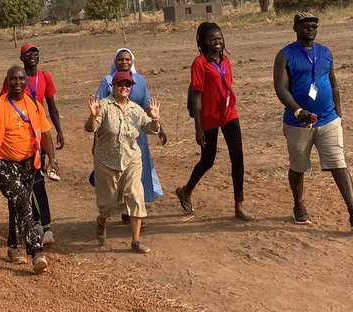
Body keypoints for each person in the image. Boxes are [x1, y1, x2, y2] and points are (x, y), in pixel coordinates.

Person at [273, 12, 353, 231]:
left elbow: (333, 84)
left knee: (339, 162)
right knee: (298, 166)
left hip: (328, 119)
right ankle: (299, 205)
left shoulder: (325, 52)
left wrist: (338, 114)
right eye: (306, 26)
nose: (311, 29)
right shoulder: (285, 55)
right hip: (298, 122)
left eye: (314, 26)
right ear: (295, 28)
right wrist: (298, 111)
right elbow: (280, 88)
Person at [0, 65, 56, 273]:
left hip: (28, 164)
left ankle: (12, 247)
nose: (17, 82)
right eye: (13, 79)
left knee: (16, 204)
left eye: (21, 79)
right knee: (23, 203)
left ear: (26, 82)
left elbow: (45, 134)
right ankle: (36, 251)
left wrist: (52, 159)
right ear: (6, 82)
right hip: (3, 164)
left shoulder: (34, 105)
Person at [175, 22, 252, 221]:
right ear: (204, 42)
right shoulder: (199, 63)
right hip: (208, 116)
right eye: (212, 39)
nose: (217, 42)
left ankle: (239, 205)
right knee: (208, 160)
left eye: (219, 38)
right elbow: (197, 96)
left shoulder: (226, 61)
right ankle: (186, 190)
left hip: (228, 113)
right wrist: (198, 128)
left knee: (238, 156)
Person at [86, 71, 162, 253]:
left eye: (127, 85)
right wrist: (92, 116)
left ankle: (136, 241)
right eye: (120, 84)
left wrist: (155, 119)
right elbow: (90, 129)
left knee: (136, 195)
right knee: (108, 203)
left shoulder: (136, 109)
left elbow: (151, 129)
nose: (124, 88)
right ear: (113, 86)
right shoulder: (104, 106)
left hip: (131, 160)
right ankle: (102, 220)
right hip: (106, 161)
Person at [0, 43, 65, 244]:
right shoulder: (15, 78)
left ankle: (44, 226)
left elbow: (52, 106)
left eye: (35, 52)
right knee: (27, 184)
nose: (32, 56)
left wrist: (59, 130)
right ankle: (35, 224)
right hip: (19, 138)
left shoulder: (45, 77)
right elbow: (2, 105)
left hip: (38, 136)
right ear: (21, 58)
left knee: (37, 181)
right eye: (27, 54)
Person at [95, 48, 165, 219]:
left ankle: (133, 212)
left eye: (127, 59)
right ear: (115, 62)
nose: (124, 62)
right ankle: (118, 208)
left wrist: (159, 128)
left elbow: (148, 107)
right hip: (112, 137)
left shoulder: (140, 80)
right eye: (120, 59)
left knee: (137, 173)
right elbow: (98, 114)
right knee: (115, 175)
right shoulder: (107, 81)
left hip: (137, 135)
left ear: (132, 61)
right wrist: (96, 141)